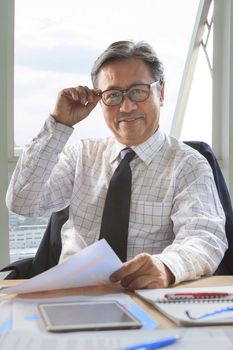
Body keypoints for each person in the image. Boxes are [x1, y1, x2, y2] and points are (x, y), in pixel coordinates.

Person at [6, 40, 227, 290]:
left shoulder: (188, 164)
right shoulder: (81, 156)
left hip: (149, 296)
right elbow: (22, 202)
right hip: (71, 296)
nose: (127, 106)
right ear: (100, 101)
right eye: (113, 95)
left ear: (161, 93)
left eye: (139, 91)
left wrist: (166, 266)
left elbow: (204, 237)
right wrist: (59, 125)